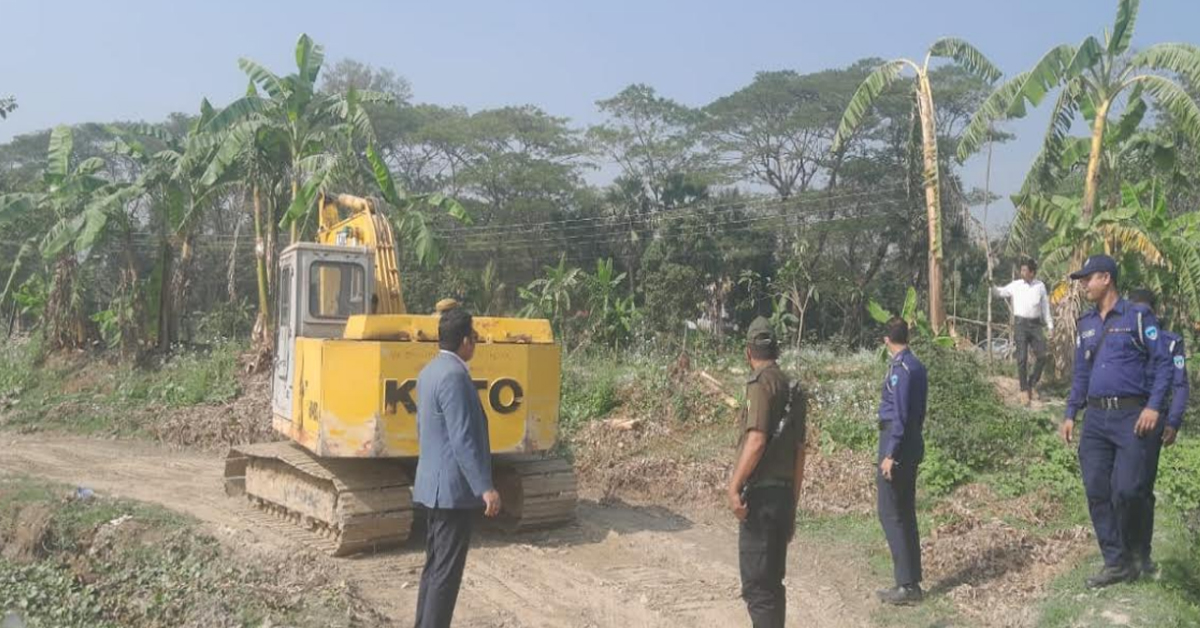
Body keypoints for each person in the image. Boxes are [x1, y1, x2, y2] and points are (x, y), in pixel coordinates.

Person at [1060, 255, 1173, 588]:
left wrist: (1153, 407)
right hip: (1095, 418)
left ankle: (1136, 551)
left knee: (1127, 490)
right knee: (1096, 489)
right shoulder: (1086, 324)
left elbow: (1164, 364)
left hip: (1131, 416)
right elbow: (1081, 372)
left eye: (1088, 279)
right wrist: (1070, 412)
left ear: (1105, 278)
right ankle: (1115, 562)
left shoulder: (1138, 317)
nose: (1083, 285)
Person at [412, 306, 502, 628]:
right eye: (474, 337)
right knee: (446, 577)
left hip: (433, 488)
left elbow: (422, 430)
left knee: (434, 569)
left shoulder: (428, 373)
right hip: (452, 493)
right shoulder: (455, 377)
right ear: (466, 340)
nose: (475, 343)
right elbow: (463, 439)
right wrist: (485, 488)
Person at [726, 316, 807, 628]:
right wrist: (793, 505)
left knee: (758, 587)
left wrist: (733, 487)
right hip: (783, 497)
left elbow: (757, 439)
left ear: (749, 352)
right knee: (773, 584)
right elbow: (800, 453)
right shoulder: (793, 389)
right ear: (776, 349)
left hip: (759, 502)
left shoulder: (760, 384)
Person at [1127, 288, 1189, 575]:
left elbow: (1179, 384)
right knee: (1120, 486)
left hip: (1153, 419)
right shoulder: (1121, 336)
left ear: (1153, 313)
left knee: (1141, 488)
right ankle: (1121, 552)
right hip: (1122, 416)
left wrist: (1173, 421)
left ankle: (1142, 554)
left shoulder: (1170, 342)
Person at [874, 317, 928, 605]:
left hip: (896, 443)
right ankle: (912, 582)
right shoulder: (917, 365)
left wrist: (890, 454)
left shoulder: (900, 369)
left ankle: (906, 585)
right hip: (911, 442)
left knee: (890, 512)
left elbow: (900, 415)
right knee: (905, 513)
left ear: (886, 340)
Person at [992, 258, 1053, 404]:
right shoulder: (1016, 285)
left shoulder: (1040, 286)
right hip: (1020, 324)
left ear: (1032, 272)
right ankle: (1023, 390)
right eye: (1022, 269)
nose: (1022, 272)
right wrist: (991, 286)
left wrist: (1050, 326)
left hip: (1036, 324)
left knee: (1042, 355)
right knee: (1022, 358)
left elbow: (1045, 308)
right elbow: (1000, 293)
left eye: (1025, 270)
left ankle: (1032, 383)